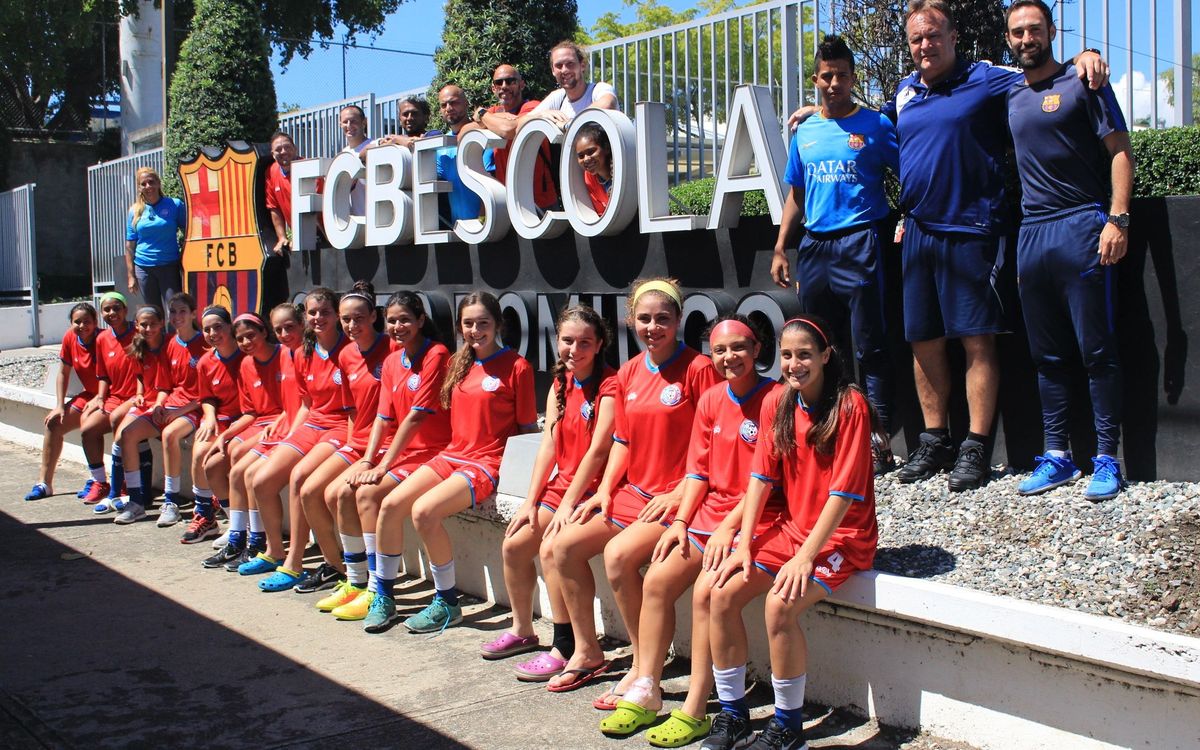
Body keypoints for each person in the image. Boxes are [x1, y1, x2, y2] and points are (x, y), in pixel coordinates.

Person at [787, 0, 1108, 492]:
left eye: (933, 36)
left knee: (976, 340)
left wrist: (1084, 54)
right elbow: (866, 123)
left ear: (953, 37)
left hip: (973, 232)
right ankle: (935, 440)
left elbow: (1040, 70)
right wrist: (822, 110)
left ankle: (976, 446)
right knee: (923, 341)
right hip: (917, 234)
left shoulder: (988, 79)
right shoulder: (905, 90)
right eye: (916, 39)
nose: (924, 46)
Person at [603, 315, 779, 745]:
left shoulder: (776, 399)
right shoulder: (712, 399)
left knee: (705, 590)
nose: (728, 357)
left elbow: (767, 481)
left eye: (738, 347)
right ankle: (647, 685)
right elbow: (697, 473)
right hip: (707, 514)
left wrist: (728, 529)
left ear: (757, 350)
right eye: (719, 350)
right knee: (659, 579)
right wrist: (680, 521)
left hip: (756, 516)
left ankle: (697, 705)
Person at [704, 316, 878, 750]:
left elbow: (843, 493)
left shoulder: (849, 404)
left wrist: (804, 557)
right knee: (720, 592)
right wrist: (744, 544)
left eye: (804, 355)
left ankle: (788, 728)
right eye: (786, 355)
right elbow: (760, 479)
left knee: (779, 606)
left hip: (842, 537)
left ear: (825, 356)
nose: (794, 364)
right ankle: (733, 715)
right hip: (793, 529)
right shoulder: (777, 402)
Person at [549, 278, 719, 709]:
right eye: (644, 318)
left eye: (663, 318)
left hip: (678, 496)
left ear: (679, 320)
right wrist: (603, 490)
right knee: (563, 547)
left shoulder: (699, 369)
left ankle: (646, 669)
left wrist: (682, 491)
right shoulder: (629, 371)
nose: (653, 327)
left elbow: (716, 441)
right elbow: (621, 442)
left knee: (619, 556)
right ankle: (587, 651)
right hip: (633, 491)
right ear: (631, 322)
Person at [1004, 0, 1133, 501]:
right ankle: (1057, 456)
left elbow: (1120, 150)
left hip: (1082, 224)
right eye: (1017, 32)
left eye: (1034, 28)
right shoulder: (1008, 91)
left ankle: (1107, 459)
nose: (1025, 38)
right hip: (1032, 233)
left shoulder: (1086, 82)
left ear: (1052, 31)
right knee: (1047, 355)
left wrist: (1118, 219)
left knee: (1097, 351)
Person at [365, 291, 538, 634]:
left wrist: (526, 481)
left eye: (483, 323)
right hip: (451, 454)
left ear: (498, 324)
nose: (476, 330)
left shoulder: (517, 366)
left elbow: (528, 429)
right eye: (469, 324)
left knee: (424, 512)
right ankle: (383, 595)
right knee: (389, 505)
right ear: (460, 327)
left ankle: (447, 602)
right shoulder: (458, 362)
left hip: (486, 462)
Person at [771, 35, 898, 476]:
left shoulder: (876, 125)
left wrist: (908, 217)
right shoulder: (805, 132)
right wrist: (781, 246)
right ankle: (833, 432)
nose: (834, 82)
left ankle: (878, 441)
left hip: (862, 241)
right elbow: (797, 193)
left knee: (872, 346)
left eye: (842, 75)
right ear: (816, 79)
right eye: (827, 75)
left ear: (852, 78)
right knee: (825, 348)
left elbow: (909, 173)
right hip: (816, 247)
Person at [482, 305, 617, 683]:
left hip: (594, 491)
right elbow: (548, 445)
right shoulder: (560, 383)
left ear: (600, 343)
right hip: (564, 487)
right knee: (513, 545)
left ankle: (566, 644)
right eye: (567, 341)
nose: (575, 349)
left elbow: (600, 450)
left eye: (585, 342)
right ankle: (523, 629)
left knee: (549, 550)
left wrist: (568, 504)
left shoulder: (609, 385)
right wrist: (530, 501)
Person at [338, 292, 452, 620]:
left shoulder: (437, 353)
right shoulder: (391, 361)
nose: (397, 326)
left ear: (419, 321)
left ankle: (379, 591)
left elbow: (417, 416)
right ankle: (371, 589)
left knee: (375, 495)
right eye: (392, 320)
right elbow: (383, 417)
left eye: (404, 319)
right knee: (356, 491)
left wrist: (383, 465)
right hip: (405, 452)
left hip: (435, 451)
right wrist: (368, 460)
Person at [298, 282, 398, 618]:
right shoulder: (345, 355)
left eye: (359, 318)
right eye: (346, 320)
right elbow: (353, 410)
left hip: (388, 445)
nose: (353, 326)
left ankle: (370, 585)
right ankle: (349, 577)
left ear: (373, 316)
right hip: (359, 442)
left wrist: (373, 453)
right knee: (315, 490)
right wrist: (352, 447)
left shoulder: (393, 350)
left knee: (341, 494)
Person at [251, 287, 352, 593]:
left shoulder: (349, 350)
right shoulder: (302, 353)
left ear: (336, 315)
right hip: (313, 424)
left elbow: (354, 410)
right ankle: (274, 552)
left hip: (341, 428)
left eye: (325, 312)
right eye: (312, 312)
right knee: (261, 480)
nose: (318, 318)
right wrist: (293, 434)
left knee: (299, 478)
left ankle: (295, 563)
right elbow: (307, 404)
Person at [99, 293, 206, 523]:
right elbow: (164, 386)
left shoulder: (204, 345)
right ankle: (136, 501)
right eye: (173, 311)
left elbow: (207, 395)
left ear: (193, 313)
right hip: (169, 406)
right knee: (126, 435)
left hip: (193, 410)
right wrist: (158, 404)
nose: (177, 316)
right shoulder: (170, 346)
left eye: (182, 311)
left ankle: (171, 502)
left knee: (169, 435)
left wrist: (178, 411)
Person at [201, 311, 290, 568]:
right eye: (241, 339)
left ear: (264, 332)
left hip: (283, 423)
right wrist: (226, 435)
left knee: (240, 466)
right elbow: (250, 412)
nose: (246, 342)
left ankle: (254, 540)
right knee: (217, 460)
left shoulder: (284, 357)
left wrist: (277, 423)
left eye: (251, 335)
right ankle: (239, 535)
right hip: (260, 422)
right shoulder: (246, 365)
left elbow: (292, 406)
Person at [232, 303, 307, 574]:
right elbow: (291, 404)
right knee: (246, 473)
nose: (285, 333)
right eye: (280, 329)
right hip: (289, 427)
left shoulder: (304, 353)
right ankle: (267, 547)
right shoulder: (288, 354)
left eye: (291, 327)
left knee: (260, 478)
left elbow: (310, 406)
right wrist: (280, 422)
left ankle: (290, 557)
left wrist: (291, 433)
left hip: (312, 432)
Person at [175, 307, 245, 542]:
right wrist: (211, 417)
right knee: (200, 450)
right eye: (207, 329)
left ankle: (238, 525)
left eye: (218, 327)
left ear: (230, 327)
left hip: (245, 421)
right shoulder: (205, 361)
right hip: (220, 419)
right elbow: (206, 398)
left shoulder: (246, 356)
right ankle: (206, 515)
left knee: (216, 461)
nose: (213, 333)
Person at [24, 303, 101, 502]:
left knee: (90, 425)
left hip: (107, 396)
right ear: (71, 323)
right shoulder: (69, 338)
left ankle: (97, 481)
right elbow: (63, 373)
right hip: (89, 394)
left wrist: (98, 399)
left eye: (88, 322)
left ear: (96, 323)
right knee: (54, 424)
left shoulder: (103, 340)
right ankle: (44, 483)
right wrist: (59, 405)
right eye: (78, 321)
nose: (83, 326)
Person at [460, 64, 559, 211]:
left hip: (541, 201)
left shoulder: (534, 107)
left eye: (510, 81)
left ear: (521, 84)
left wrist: (482, 115)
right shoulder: (493, 112)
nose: (504, 86)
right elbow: (463, 134)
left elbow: (508, 130)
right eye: (499, 83)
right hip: (509, 202)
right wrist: (497, 117)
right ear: (493, 88)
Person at [78, 293, 140, 506]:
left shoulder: (139, 332)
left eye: (116, 308)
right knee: (88, 429)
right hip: (114, 397)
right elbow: (102, 375)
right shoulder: (102, 338)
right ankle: (100, 482)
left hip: (137, 398)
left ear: (125, 310)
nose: (112, 313)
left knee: (118, 424)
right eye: (107, 309)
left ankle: (123, 484)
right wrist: (100, 398)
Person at [125, 167, 186, 313]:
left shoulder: (175, 205)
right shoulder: (134, 211)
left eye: (151, 182)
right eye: (143, 184)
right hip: (144, 268)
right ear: (139, 188)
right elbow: (129, 245)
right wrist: (131, 275)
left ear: (158, 183)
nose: (148, 187)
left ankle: (173, 336)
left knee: (175, 309)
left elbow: (189, 231)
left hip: (169, 266)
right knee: (153, 312)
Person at [434, 85, 495, 226]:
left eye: (454, 102)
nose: (448, 108)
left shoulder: (481, 136)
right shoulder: (440, 148)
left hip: (488, 227)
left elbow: (490, 182)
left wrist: (483, 221)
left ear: (466, 103)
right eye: (444, 105)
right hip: (459, 231)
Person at [524, 41, 620, 129]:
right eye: (559, 66)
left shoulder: (599, 89)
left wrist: (568, 125)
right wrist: (540, 115)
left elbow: (607, 104)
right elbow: (520, 125)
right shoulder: (558, 97)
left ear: (582, 65)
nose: (564, 70)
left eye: (570, 64)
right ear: (553, 71)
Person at [265, 132, 299, 256]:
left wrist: (300, 237)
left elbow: (316, 211)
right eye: (278, 149)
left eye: (287, 147)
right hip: (296, 238)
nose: (283, 151)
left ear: (295, 149)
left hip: (322, 233)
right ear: (273, 154)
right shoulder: (271, 171)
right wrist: (282, 237)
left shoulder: (308, 169)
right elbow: (274, 207)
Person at [573, 123, 614, 216]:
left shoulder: (622, 174)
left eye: (591, 152)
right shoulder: (589, 177)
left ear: (606, 148)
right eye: (581, 156)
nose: (586, 159)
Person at [339, 105, 373, 215]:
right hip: (354, 224)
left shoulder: (374, 148)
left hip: (375, 220)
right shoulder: (342, 155)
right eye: (345, 122)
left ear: (364, 122)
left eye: (353, 121)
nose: (349, 125)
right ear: (340, 124)